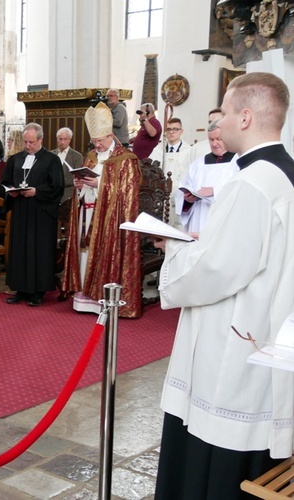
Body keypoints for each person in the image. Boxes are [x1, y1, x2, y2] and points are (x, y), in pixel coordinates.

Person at [154, 71, 294, 500]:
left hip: (236, 344)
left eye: (227, 114)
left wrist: (172, 251)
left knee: (215, 462)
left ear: (247, 117)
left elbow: (217, 270)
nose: (218, 125)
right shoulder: (284, 172)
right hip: (268, 330)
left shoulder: (253, 182)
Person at [61, 102, 143, 318]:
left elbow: (130, 191)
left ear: (110, 136)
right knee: (84, 255)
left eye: (99, 141)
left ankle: (103, 301)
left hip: (109, 219)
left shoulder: (126, 159)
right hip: (86, 214)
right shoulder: (90, 157)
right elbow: (83, 182)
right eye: (94, 141)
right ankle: (84, 300)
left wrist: (100, 185)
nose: (96, 145)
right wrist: (80, 187)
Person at [1, 123, 64, 306]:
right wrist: (10, 191)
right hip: (21, 211)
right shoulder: (16, 159)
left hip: (41, 214)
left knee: (38, 251)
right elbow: (6, 181)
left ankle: (38, 292)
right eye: (25, 142)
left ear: (40, 140)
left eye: (31, 142)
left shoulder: (51, 160)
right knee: (20, 249)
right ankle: (20, 289)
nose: (27, 146)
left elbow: (57, 186)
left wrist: (37, 191)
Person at [175, 119, 238, 233]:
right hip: (198, 220)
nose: (214, 144)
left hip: (224, 222)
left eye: (219, 139)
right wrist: (187, 200)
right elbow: (183, 192)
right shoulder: (197, 164)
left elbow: (241, 190)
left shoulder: (238, 162)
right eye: (211, 140)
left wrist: (215, 190)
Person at [50, 127, 81, 204]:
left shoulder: (77, 157)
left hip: (68, 196)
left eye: (65, 139)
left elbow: (77, 177)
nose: (62, 142)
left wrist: (58, 182)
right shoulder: (50, 155)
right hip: (51, 195)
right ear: (57, 139)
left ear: (70, 140)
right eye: (60, 139)